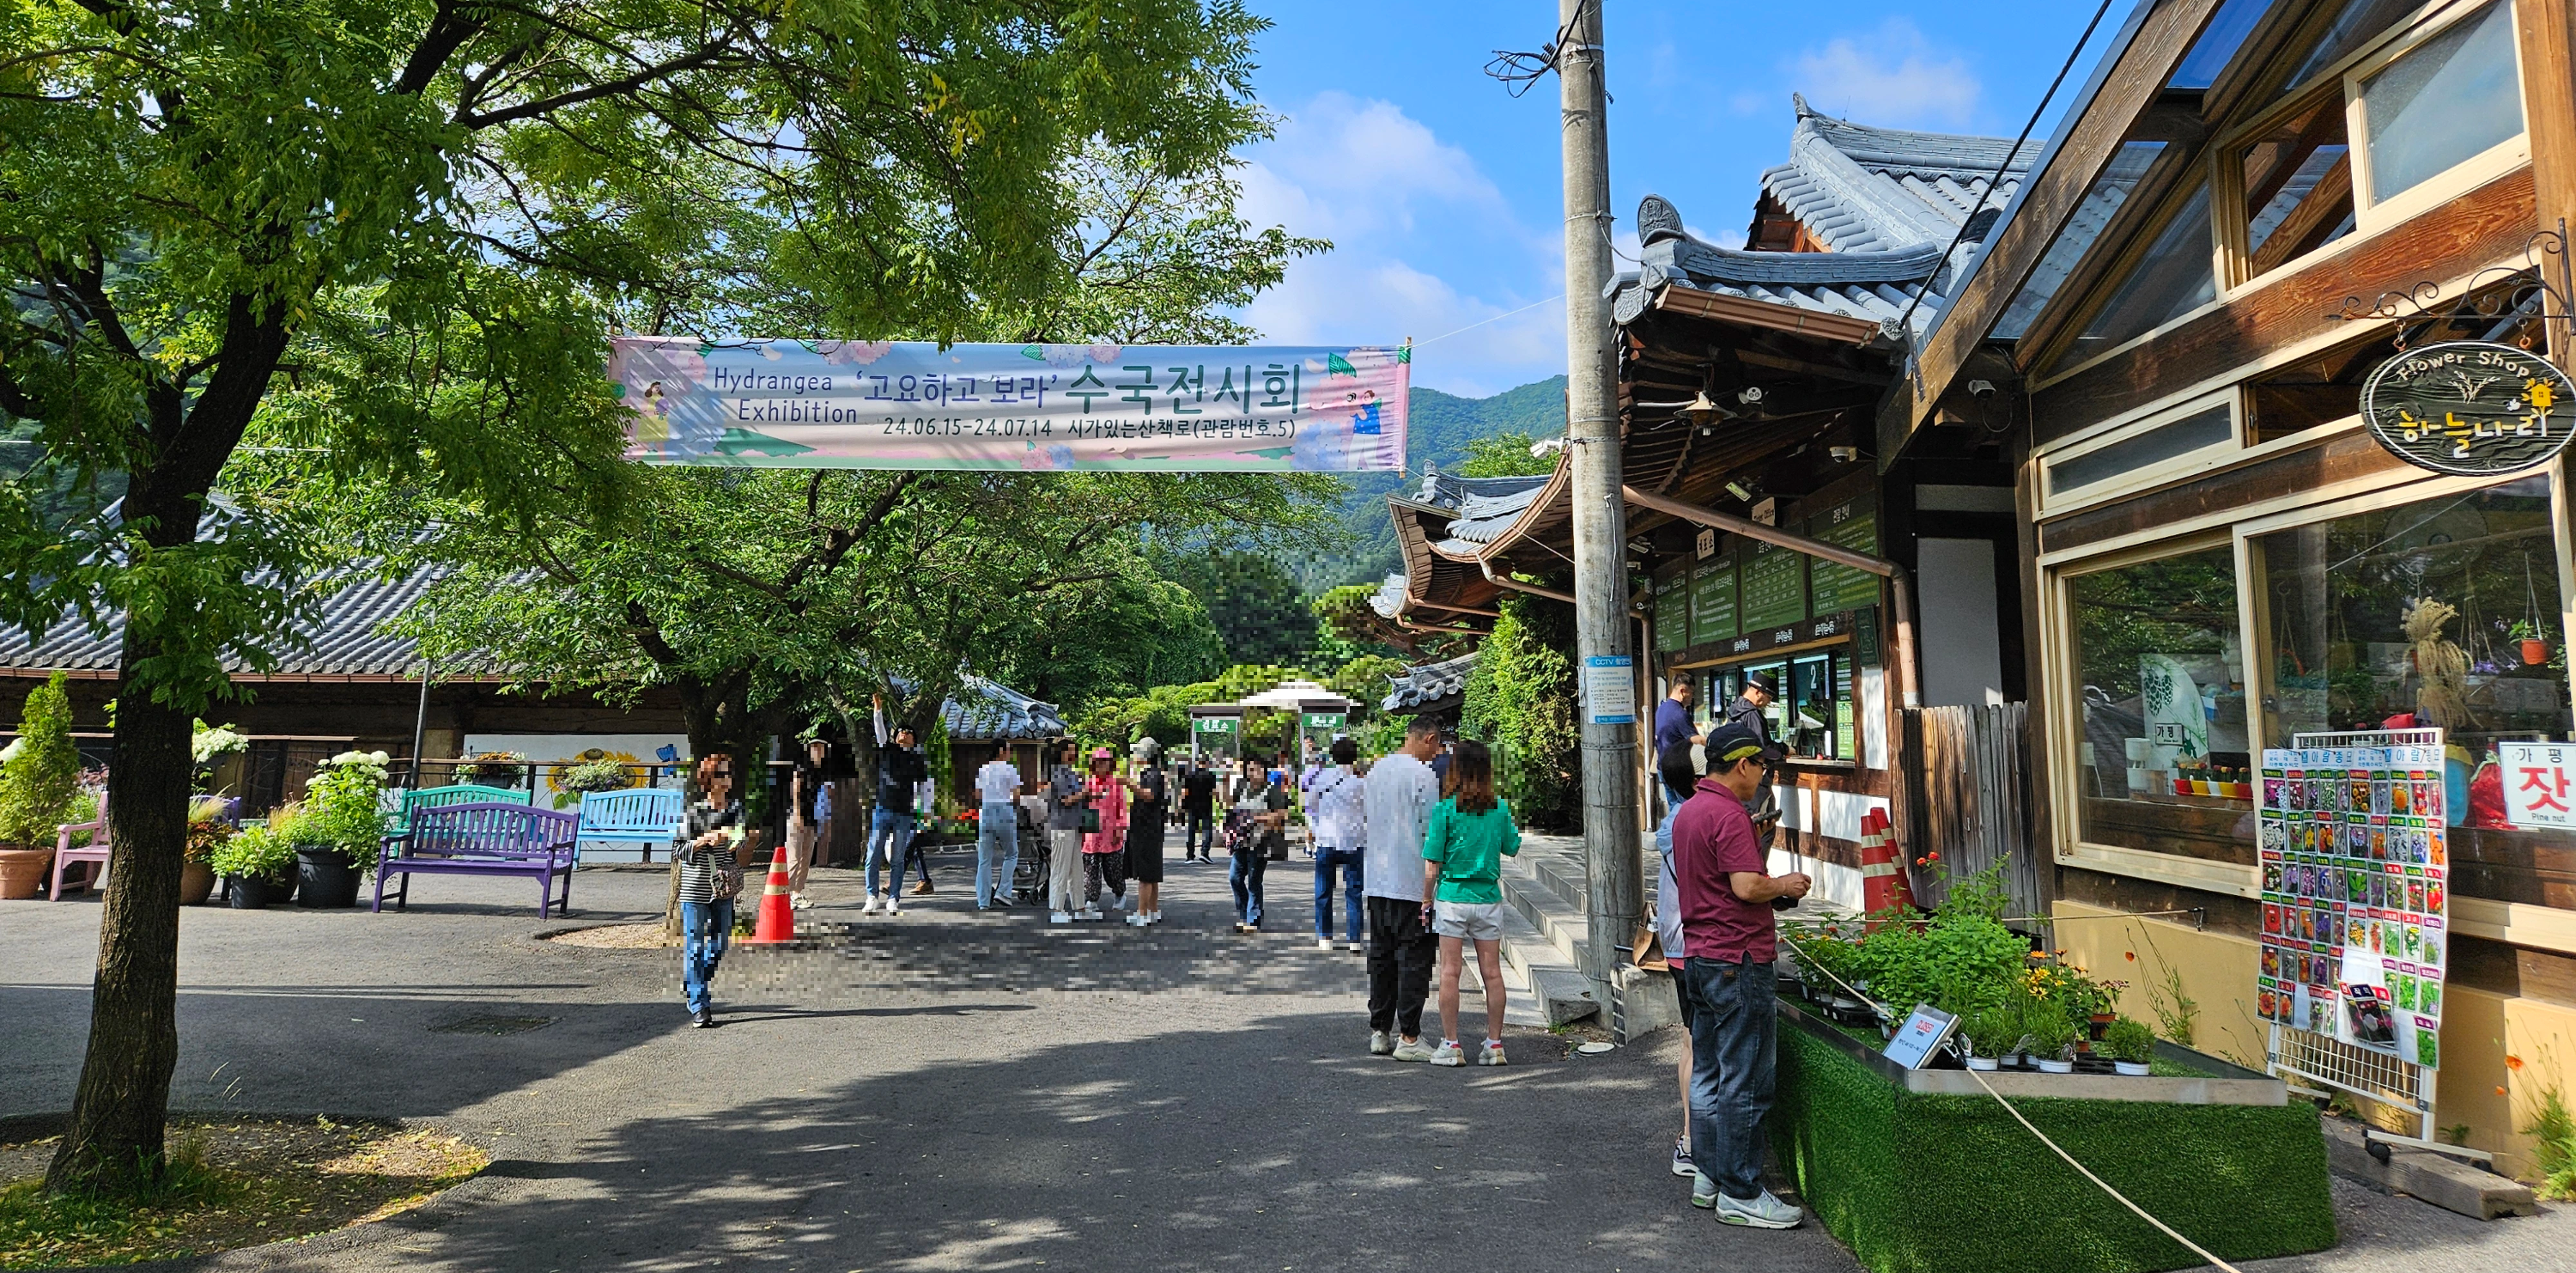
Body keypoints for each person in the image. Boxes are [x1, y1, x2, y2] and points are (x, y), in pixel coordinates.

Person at [1672, 723, 1812, 1229]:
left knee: (1709, 1070)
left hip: (1700, 955)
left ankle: (1710, 1175)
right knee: (1746, 1077)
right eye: (1762, 765)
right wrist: (1787, 884)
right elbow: (1748, 886)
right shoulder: (1731, 813)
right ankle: (1741, 1190)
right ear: (1741, 765)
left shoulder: (1689, 810)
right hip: (1740, 957)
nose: (1765, 773)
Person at [1419, 740, 1520, 1068]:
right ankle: (1494, 1044)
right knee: (1492, 973)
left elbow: (1432, 864)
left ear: (1456, 769)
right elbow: (1513, 847)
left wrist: (1425, 899)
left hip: (1452, 897)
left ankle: (1451, 1044)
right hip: (1488, 898)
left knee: (1450, 972)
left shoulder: (1445, 809)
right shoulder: (1500, 808)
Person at [1364, 718, 1442, 1061]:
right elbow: (1431, 829)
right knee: (1414, 958)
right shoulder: (1423, 775)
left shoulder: (1376, 771)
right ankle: (1409, 1037)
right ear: (1428, 739)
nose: (1436, 753)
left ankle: (1380, 1031)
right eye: (1436, 746)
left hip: (1377, 878)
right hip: (1411, 880)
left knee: (1381, 957)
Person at [1654, 743, 1703, 1179]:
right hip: (1704, 943)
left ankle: (1688, 1139)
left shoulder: (1670, 823)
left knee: (1689, 1041)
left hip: (1674, 940)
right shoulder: (1705, 820)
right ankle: (1702, 1142)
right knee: (1708, 1045)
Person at [677, 756, 745, 1028]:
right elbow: (678, 851)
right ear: (709, 781)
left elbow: (740, 843)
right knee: (694, 948)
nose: (728, 779)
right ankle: (699, 1005)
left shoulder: (736, 810)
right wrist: (702, 841)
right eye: (723, 774)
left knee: (719, 945)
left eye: (729, 774)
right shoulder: (694, 813)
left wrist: (733, 839)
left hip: (723, 888)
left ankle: (692, 982)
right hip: (695, 889)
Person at [865, 695, 933, 915]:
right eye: (901, 731)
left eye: (909, 732)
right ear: (895, 738)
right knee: (873, 854)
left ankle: (894, 897)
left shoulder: (917, 759)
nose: (904, 733)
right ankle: (871, 896)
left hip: (904, 813)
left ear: (914, 739)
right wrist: (878, 711)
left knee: (898, 858)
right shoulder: (888, 750)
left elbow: (924, 787)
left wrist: (925, 813)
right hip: (882, 809)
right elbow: (879, 732)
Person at [1308, 736, 1366, 953]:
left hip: (1327, 840)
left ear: (1333, 755)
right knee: (1354, 892)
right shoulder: (1361, 783)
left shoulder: (1323, 778)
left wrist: (1315, 828)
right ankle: (1354, 940)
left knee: (1323, 890)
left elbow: (1310, 805)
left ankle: (1325, 937)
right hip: (1353, 842)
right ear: (1355, 757)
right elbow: (1368, 811)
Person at [1226, 769, 1288, 932]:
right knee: (1235, 878)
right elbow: (1230, 806)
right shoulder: (1242, 788)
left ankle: (1252, 921)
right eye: (1251, 769)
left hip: (1261, 841)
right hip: (1241, 840)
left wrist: (1255, 818)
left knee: (1254, 880)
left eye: (1258, 769)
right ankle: (1245, 915)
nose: (1254, 773)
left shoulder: (1272, 791)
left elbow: (1282, 815)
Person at [1719, 672, 1781, 830]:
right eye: (1769, 697)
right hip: (1755, 778)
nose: (1768, 702)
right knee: (1761, 827)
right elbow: (1762, 747)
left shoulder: (1734, 710)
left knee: (1743, 822)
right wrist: (1784, 749)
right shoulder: (1752, 715)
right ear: (1759, 692)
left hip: (1737, 775)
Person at [1077, 746, 1129, 920]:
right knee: (1091, 867)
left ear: (1110, 764)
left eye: (1104, 762)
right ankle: (1092, 898)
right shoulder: (1088, 783)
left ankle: (1119, 893)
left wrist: (1119, 829)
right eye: (1098, 762)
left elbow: (1121, 808)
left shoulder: (1115, 783)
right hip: (1092, 830)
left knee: (1113, 869)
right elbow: (1085, 808)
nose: (1101, 765)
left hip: (1111, 830)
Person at [973, 749, 1024, 912]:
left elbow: (977, 795)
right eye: (1008, 749)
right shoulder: (1010, 769)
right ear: (1001, 751)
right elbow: (1016, 796)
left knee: (984, 859)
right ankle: (1002, 891)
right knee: (1011, 853)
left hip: (986, 813)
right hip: (1004, 812)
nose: (1010, 752)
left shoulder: (983, 770)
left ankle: (983, 901)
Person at [1125, 740, 1168, 925]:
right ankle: (1153, 910)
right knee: (1152, 873)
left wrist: (1128, 783)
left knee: (1145, 874)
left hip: (1146, 829)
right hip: (1151, 828)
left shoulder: (1152, 774)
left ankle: (1142, 913)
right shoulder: (1153, 773)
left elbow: (1148, 795)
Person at [1045, 740, 1088, 923]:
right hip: (1062, 825)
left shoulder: (1071, 773)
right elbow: (1066, 800)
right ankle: (1056, 908)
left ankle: (1080, 907)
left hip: (1074, 825)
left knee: (1076, 868)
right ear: (1061, 753)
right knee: (1060, 868)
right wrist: (1085, 792)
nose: (1073, 754)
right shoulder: (1059, 773)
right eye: (1069, 751)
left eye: (1075, 751)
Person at [1181, 759, 1218, 862]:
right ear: (1206, 763)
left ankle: (1190, 855)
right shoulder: (1210, 775)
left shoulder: (1189, 775)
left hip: (1192, 806)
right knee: (1207, 830)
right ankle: (1204, 853)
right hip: (1206, 806)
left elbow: (1185, 792)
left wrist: (1183, 806)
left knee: (1191, 831)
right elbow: (1214, 792)